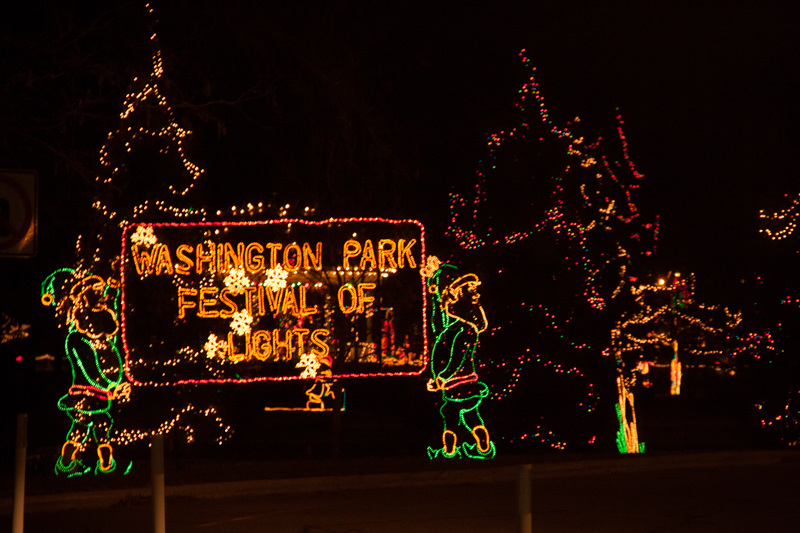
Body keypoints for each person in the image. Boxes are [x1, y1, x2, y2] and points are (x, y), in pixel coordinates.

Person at [42, 269, 130, 476]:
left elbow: (113, 318)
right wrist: (110, 386)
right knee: (82, 427)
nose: (101, 297)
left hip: (104, 392)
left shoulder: (105, 336)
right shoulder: (76, 339)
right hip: (86, 393)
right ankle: (69, 462)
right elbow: (89, 368)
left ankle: (103, 464)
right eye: (96, 293)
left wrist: (115, 293)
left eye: (101, 293)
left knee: (100, 427)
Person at [422, 256, 495, 459]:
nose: (447, 303)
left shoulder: (463, 330)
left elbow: (456, 359)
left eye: (452, 298)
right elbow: (437, 315)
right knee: (471, 416)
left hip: (457, 383)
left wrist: (441, 378)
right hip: (466, 383)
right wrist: (433, 283)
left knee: (451, 416)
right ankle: (483, 445)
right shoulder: (454, 328)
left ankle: (449, 450)